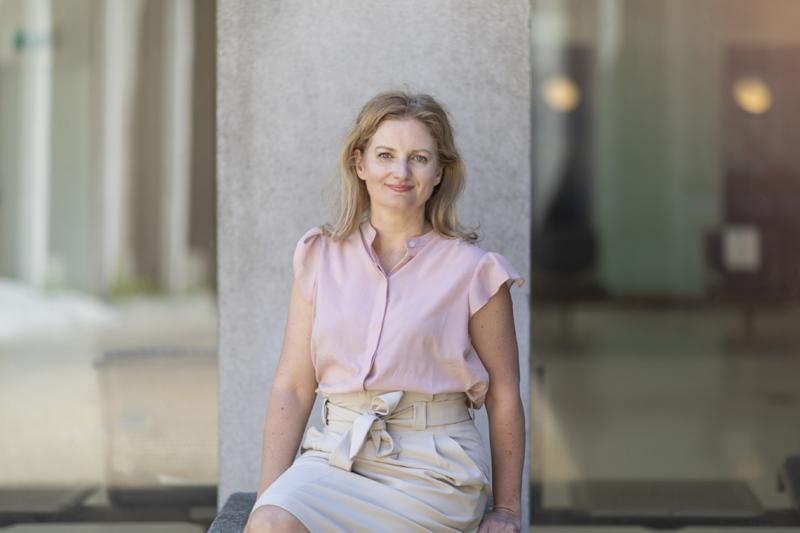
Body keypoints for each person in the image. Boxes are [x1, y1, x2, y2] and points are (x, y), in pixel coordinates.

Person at [245, 91, 525, 533]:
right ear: (359, 164)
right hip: (335, 455)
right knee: (271, 525)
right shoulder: (320, 257)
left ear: (439, 173)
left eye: (418, 158)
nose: (401, 171)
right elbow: (293, 387)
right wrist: (269, 500)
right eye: (385, 155)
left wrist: (507, 510)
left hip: (435, 470)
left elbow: (505, 394)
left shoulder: (475, 272)